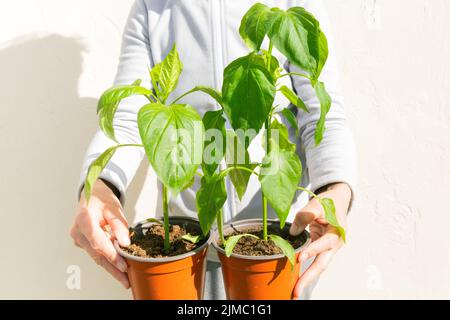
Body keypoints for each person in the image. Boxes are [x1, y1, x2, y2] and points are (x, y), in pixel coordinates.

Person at [70, 0, 357, 300]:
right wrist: (102, 187)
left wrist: (335, 190)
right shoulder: (153, 7)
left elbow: (322, 115)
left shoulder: (293, 4)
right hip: (188, 252)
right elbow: (127, 118)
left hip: (280, 245)